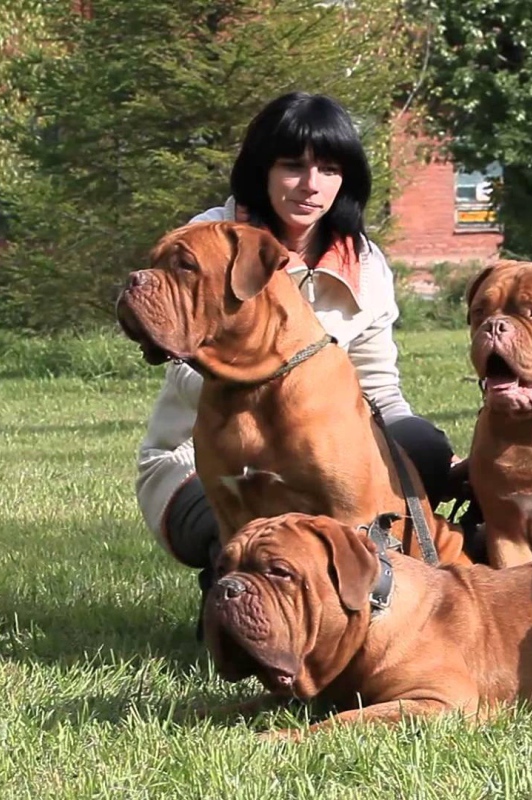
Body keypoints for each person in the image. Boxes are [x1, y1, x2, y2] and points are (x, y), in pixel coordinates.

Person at [135, 92, 459, 606]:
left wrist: (419, 466)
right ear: (260, 169)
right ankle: (240, 592)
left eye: (329, 170)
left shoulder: (365, 263)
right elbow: (189, 374)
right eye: (293, 166)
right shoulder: (209, 240)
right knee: (250, 516)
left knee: (422, 446)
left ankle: (374, 585)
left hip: (315, 451)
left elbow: (377, 389)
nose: (311, 185)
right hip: (198, 461)